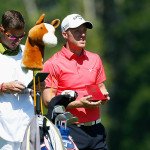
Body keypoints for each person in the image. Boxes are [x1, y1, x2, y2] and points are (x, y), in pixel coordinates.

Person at [42, 13, 110, 150]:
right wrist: (78, 104)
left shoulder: (95, 59)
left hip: (97, 131)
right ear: (65, 34)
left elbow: (101, 87)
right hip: (69, 131)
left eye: (84, 30)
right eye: (77, 31)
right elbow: (48, 101)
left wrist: (104, 95)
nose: (82, 34)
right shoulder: (53, 64)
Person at [0, 10, 34, 150]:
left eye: (21, 36)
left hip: (28, 122)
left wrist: (39, 84)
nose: (17, 41)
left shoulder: (28, 52)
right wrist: (3, 87)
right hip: (3, 126)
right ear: (2, 30)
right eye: (13, 37)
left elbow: (36, 85)